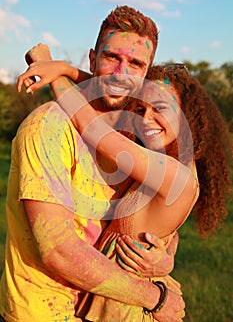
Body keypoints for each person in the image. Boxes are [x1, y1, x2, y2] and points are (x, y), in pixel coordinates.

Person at [0, 5, 185, 322]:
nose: (121, 72)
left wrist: (164, 257)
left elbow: (158, 217)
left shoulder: (133, 135)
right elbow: (57, 250)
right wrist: (156, 298)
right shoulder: (49, 129)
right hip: (43, 312)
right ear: (92, 58)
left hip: (101, 307)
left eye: (136, 64)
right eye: (112, 57)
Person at [20, 62, 232, 322]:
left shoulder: (173, 173)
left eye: (161, 109)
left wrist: (56, 72)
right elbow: (112, 95)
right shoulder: (167, 160)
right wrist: (168, 255)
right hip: (125, 291)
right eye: (140, 109)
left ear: (186, 115)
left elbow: (90, 125)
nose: (145, 120)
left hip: (130, 304)